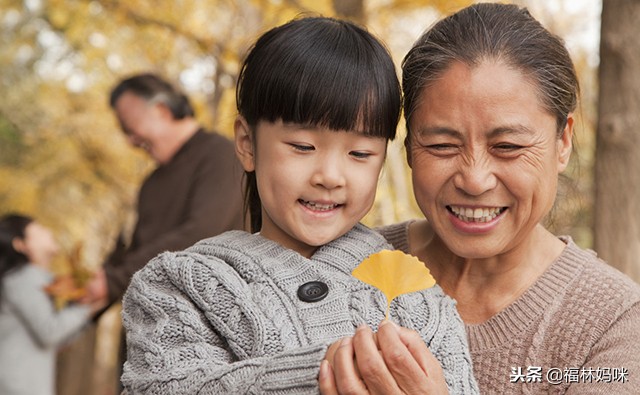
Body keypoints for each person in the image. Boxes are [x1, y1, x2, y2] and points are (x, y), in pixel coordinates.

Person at [120, 16, 478, 394]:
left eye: (360, 153)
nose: (330, 176)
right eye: (303, 147)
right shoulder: (179, 285)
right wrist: (321, 375)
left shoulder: (416, 295)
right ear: (246, 143)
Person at [377, 3, 640, 394]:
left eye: (508, 146)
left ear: (562, 142)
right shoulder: (349, 266)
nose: (475, 179)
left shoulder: (612, 322)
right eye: (442, 145)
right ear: (410, 145)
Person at [81, 72, 246, 389]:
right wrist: (86, 306)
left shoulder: (222, 156)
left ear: (161, 110)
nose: (130, 140)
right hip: (144, 343)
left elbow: (200, 233)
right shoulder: (151, 184)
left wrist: (113, 279)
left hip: (202, 344)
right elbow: (134, 253)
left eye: (129, 128)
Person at [0, 214, 102, 395]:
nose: (47, 231)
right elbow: (49, 331)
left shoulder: (36, 280)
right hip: (18, 386)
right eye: (37, 229)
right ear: (21, 245)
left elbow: (58, 340)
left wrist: (87, 308)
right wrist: (86, 307)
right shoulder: (23, 278)